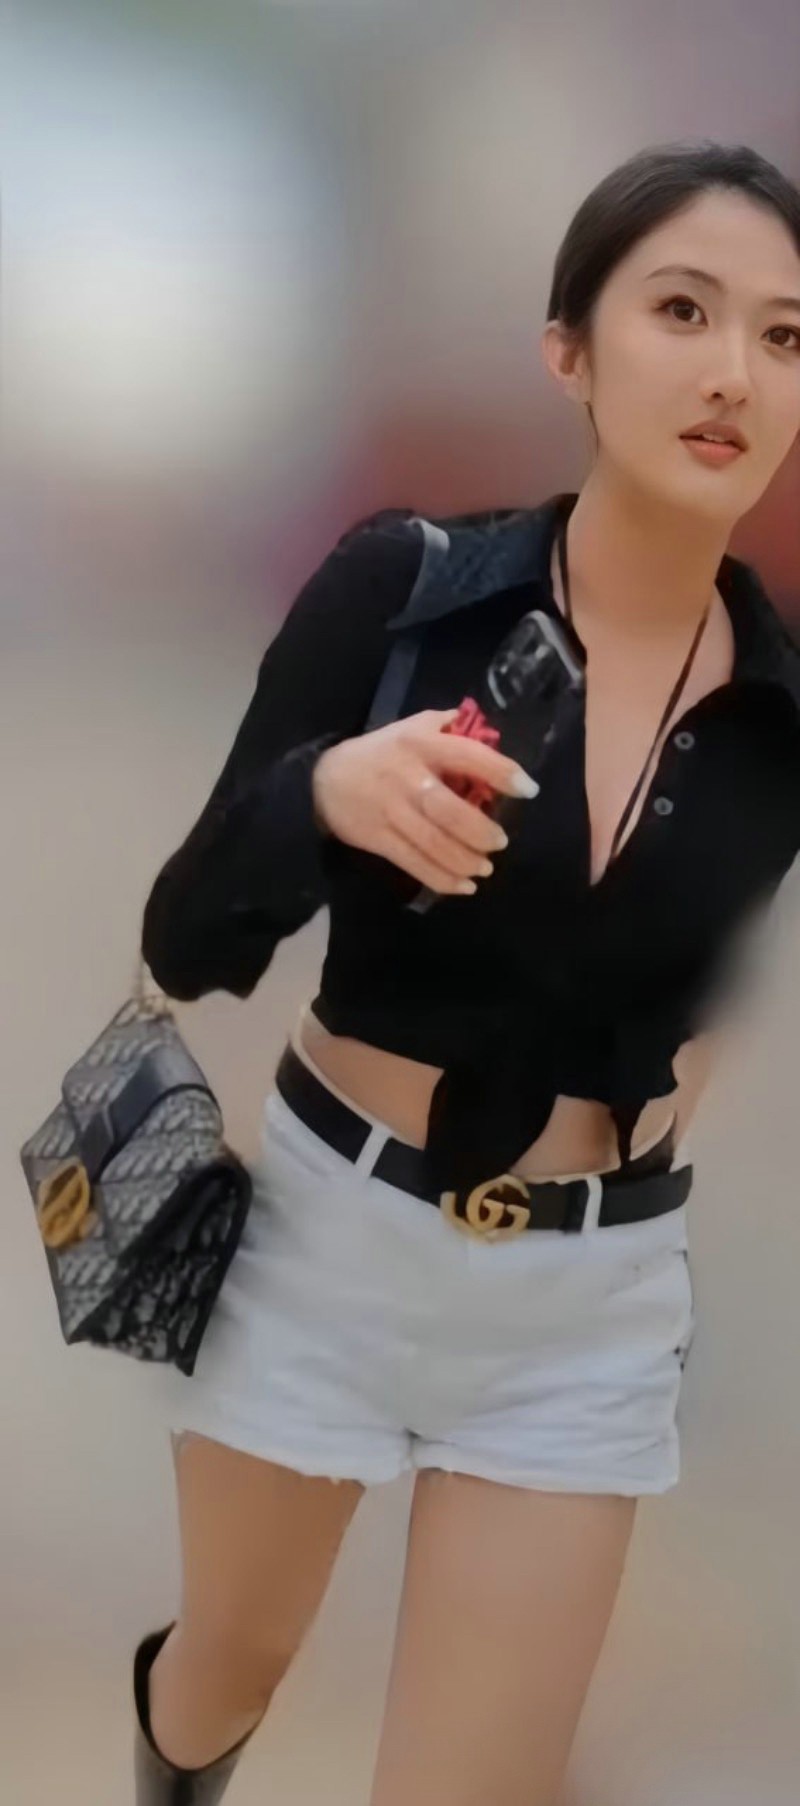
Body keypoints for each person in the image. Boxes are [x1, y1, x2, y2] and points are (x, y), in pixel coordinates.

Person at [131, 140, 800, 1805]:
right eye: (683, 311)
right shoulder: (407, 591)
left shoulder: (784, 715)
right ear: (569, 349)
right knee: (225, 1670)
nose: (735, 371)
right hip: (324, 1243)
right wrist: (326, 794)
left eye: (785, 335)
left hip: (581, 1309)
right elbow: (187, 933)